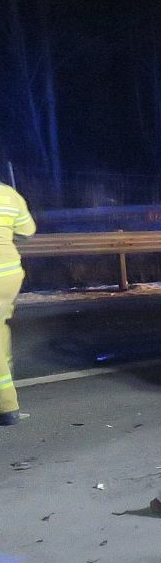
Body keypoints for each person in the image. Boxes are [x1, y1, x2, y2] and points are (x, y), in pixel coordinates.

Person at [0, 182, 36, 425]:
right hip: (9, 275)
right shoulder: (8, 194)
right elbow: (27, 230)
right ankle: (7, 378)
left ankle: (7, 407)